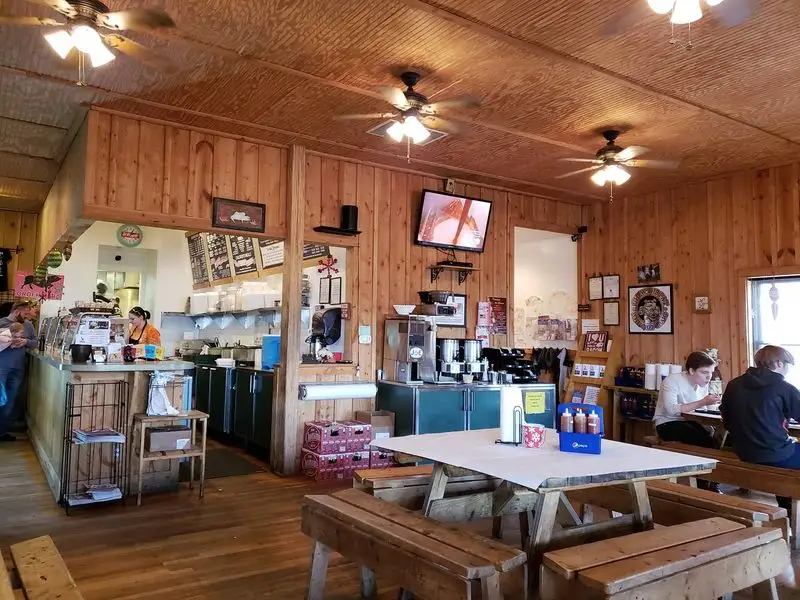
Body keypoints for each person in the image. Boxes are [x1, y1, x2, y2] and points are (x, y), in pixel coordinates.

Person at [720, 345, 800, 512]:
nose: (787, 370)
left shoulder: (734, 384)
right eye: (788, 365)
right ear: (778, 363)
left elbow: (726, 422)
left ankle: (786, 509)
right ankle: (790, 511)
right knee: (784, 454)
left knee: (782, 455)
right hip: (774, 454)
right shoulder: (783, 388)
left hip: (742, 452)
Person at [653, 351, 721, 447]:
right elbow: (671, 410)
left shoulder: (703, 383)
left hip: (690, 421)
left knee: (712, 438)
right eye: (705, 372)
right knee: (696, 436)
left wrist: (714, 404)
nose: (709, 377)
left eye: (711, 372)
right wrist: (703, 402)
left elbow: (702, 409)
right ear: (692, 371)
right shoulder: (672, 381)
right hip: (667, 423)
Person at [0, 300, 37, 442]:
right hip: (1, 367)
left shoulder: (28, 325)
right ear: (16, 311)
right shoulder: (2, 322)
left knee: (11, 401)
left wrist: (25, 342)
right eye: (25, 313)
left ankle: (2, 432)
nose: (27, 316)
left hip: (18, 368)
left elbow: (35, 341)